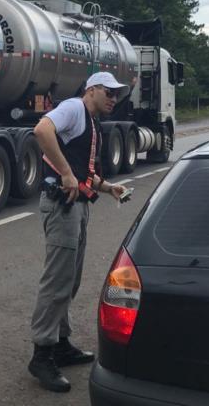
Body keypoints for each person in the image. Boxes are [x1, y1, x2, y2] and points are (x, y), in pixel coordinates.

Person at [28, 72, 129, 392]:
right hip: (61, 206)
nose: (114, 98)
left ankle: (60, 342)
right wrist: (67, 174)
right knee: (57, 281)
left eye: (117, 94)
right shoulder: (73, 107)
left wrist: (109, 187)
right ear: (92, 89)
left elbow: (85, 172)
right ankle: (42, 355)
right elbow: (42, 129)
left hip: (78, 206)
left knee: (69, 281)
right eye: (109, 92)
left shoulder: (92, 123)